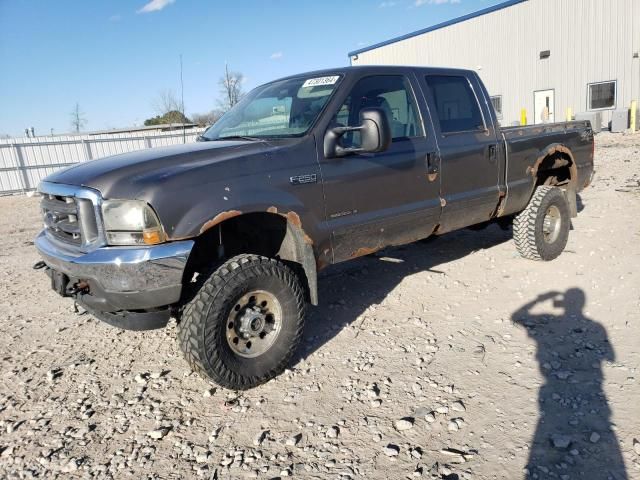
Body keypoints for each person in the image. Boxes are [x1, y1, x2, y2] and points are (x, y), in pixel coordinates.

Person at [512, 289, 627, 479]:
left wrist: (539, 298)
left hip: (547, 392)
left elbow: (517, 317)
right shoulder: (596, 326)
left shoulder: (549, 317)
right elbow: (611, 357)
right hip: (596, 395)